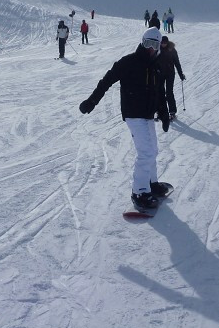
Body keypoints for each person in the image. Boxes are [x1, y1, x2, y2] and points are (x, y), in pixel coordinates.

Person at [78, 27, 171, 210]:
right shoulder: (129, 62)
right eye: (147, 43)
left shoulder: (156, 67)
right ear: (142, 42)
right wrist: (92, 101)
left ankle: (151, 183)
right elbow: (106, 81)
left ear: (159, 46)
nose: (150, 48)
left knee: (153, 149)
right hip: (134, 114)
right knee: (146, 152)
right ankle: (140, 191)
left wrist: (164, 113)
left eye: (154, 44)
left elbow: (160, 93)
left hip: (147, 115)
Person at [157, 36, 185, 119]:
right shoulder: (157, 49)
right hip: (160, 74)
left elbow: (177, 62)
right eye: (162, 43)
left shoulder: (172, 50)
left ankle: (172, 112)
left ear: (167, 42)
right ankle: (160, 111)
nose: (163, 44)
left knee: (169, 92)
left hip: (170, 74)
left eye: (164, 43)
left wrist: (180, 74)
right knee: (160, 92)